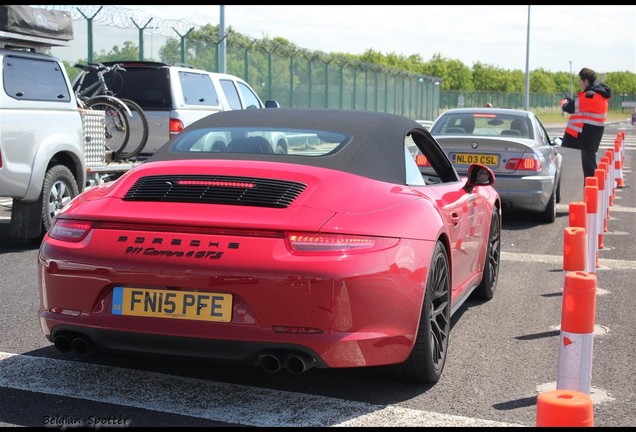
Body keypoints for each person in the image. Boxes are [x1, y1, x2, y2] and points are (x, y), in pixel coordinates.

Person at [560, 67, 612, 180]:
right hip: (590, 136)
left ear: (586, 81)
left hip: (584, 137)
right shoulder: (601, 96)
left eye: (580, 80)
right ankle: (591, 192)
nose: (579, 83)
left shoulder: (590, 96)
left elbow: (569, 107)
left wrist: (564, 102)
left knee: (588, 171)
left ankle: (591, 194)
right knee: (589, 167)